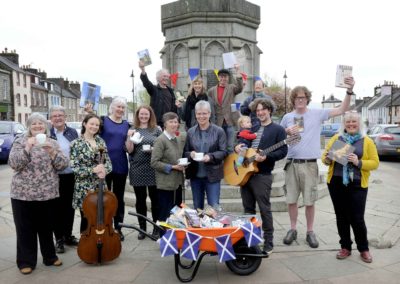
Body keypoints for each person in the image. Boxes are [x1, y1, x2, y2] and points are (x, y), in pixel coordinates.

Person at [280, 77, 354, 248]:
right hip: (291, 163)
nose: (300, 100)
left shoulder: (316, 113)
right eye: (297, 97)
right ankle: (292, 229)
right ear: (293, 99)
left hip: (310, 164)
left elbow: (342, 109)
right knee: (291, 200)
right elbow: (279, 136)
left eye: (303, 97)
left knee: (310, 201)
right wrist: (285, 130)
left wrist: (349, 91)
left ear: (307, 99)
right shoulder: (287, 117)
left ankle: (310, 231)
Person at [9, 113, 68, 275]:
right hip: (23, 194)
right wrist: (28, 147)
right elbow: (14, 163)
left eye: (40, 124)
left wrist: (52, 153)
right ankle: (26, 261)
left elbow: (63, 165)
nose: (37, 126)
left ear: (45, 127)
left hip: (47, 194)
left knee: (46, 228)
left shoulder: (53, 143)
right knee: (25, 229)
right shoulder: (20, 142)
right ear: (29, 126)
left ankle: (49, 256)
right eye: (34, 124)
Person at [322, 111, 379, 263]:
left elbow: (375, 162)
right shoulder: (337, 138)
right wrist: (327, 158)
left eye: (354, 122)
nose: (351, 124)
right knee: (341, 217)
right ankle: (345, 247)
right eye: (348, 122)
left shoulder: (366, 141)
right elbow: (325, 158)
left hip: (357, 184)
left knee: (357, 218)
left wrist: (358, 162)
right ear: (344, 124)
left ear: (359, 124)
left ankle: (364, 249)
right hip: (336, 182)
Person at [234, 99, 288, 255]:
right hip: (245, 173)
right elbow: (241, 141)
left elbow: (283, 151)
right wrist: (237, 146)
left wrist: (267, 157)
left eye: (263, 109)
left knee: (265, 210)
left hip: (262, 175)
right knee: (248, 209)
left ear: (269, 110)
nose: (260, 113)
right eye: (257, 111)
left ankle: (269, 242)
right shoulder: (254, 126)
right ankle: (250, 241)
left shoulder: (278, 129)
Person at [95, 97, 132, 241]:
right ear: (112, 107)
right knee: (103, 198)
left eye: (123, 107)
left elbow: (129, 148)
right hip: (104, 165)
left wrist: (130, 138)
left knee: (118, 198)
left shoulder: (126, 125)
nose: (121, 110)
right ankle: (105, 226)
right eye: (118, 106)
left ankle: (118, 226)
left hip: (120, 165)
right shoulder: (103, 121)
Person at [70, 113, 112, 234]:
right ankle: (86, 245)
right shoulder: (76, 143)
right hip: (84, 187)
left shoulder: (101, 141)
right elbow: (74, 168)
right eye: (91, 124)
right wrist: (93, 170)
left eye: (97, 125)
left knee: (102, 217)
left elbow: (108, 163)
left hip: (100, 185)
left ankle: (102, 242)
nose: (94, 127)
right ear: (85, 124)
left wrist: (105, 170)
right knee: (87, 217)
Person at [126, 105, 162, 240]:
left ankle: (156, 228)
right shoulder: (132, 130)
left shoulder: (156, 129)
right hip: (137, 168)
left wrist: (154, 150)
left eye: (146, 114)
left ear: (150, 115)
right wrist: (129, 138)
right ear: (137, 115)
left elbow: (162, 147)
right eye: (141, 114)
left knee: (155, 200)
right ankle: (142, 229)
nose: (144, 116)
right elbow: (129, 150)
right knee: (140, 200)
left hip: (153, 168)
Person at [184, 100, 227, 210]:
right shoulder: (190, 132)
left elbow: (223, 152)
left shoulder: (219, 131)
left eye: (204, 113)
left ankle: (213, 227)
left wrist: (210, 157)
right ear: (195, 114)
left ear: (209, 114)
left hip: (213, 176)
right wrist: (191, 154)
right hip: (195, 176)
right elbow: (185, 152)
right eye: (199, 113)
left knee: (213, 208)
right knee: (197, 209)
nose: (201, 116)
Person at [49, 106, 79, 254]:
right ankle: (59, 239)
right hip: (54, 177)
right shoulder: (47, 133)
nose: (58, 118)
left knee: (70, 208)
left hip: (71, 175)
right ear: (50, 118)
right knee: (57, 209)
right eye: (54, 116)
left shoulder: (72, 132)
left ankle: (67, 235)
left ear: (65, 117)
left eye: (60, 115)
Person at [150, 112, 186, 223]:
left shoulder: (177, 139)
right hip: (165, 184)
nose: (174, 124)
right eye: (171, 122)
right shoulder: (160, 140)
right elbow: (154, 162)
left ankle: (175, 237)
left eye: (176, 122)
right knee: (165, 213)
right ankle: (163, 236)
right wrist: (173, 167)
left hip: (177, 183)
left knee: (177, 213)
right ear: (165, 124)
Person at [208, 65, 243, 153]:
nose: (223, 78)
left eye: (225, 76)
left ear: (228, 78)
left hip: (230, 121)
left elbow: (240, 88)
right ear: (218, 77)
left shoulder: (231, 88)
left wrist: (238, 71)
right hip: (217, 123)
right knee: (219, 146)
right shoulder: (211, 91)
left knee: (230, 147)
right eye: (221, 76)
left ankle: (230, 166)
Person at [139, 60, 179, 127]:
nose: (166, 78)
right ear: (158, 78)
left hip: (169, 123)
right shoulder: (154, 89)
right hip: (157, 123)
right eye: (164, 76)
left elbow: (173, 109)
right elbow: (146, 82)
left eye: (167, 76)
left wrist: (177, 106)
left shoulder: (171, 91)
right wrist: (143, 69)